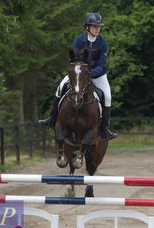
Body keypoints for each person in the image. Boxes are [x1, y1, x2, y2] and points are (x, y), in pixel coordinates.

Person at [39, 12, 117, 140]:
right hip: (78, 74)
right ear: (87, 27)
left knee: (107, 96)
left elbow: (102, 65)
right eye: (94, 26)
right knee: (60, 87)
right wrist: (79, 72)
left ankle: (105, 129)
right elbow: (73, 57)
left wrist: (90, 74)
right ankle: (52, 119)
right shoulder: (79, 40)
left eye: (99, 27)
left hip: (97, 75)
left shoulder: (103, 44)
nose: (97, 29)